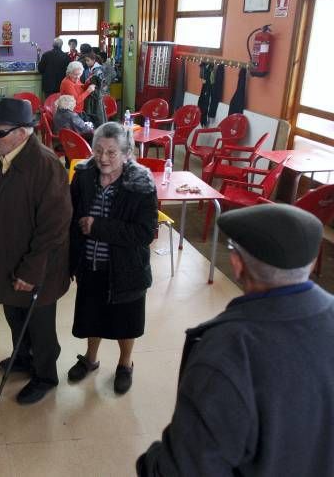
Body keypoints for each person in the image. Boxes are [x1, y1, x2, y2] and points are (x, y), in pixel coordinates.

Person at [137, 204, 334, 476]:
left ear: (237, 264)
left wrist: (152, 463)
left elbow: (186, 467)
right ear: (311, 263)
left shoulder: (226, 352)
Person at [0, 98, 72, 405]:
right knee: (14, 311)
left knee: (40, 324)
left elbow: (54, 228)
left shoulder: (45, 165)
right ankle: (23, 355)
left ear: (23, 132)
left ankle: (45, 374)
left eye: (0, 132)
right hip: (9, 258)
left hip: (38, 267)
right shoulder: (4, 157)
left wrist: (31, 271)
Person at [67, 122, 157, 395]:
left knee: (124, 321)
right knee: (92, 315)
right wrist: (71, 261)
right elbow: (71, 219)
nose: (103, 158)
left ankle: (124, 364)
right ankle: (91, 359)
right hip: (91, 265)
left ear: (127, 153)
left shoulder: (140, 183)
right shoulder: (83, 175)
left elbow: (144, 233)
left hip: (125, 269)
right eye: (98, 150)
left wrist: (98, 227)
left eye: (112, 152)